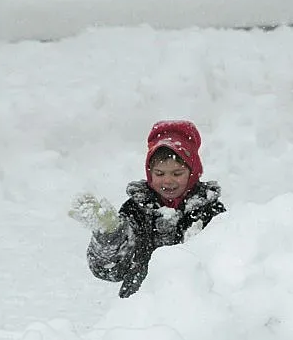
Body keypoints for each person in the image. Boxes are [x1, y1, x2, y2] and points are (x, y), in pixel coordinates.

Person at [81, 120, 226, 298]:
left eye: (177, 173)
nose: (168, 180)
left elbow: (227, 267)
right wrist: (110, 237)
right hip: (142, 303)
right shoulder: (137, 210)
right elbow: (110, 271)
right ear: (149, 172)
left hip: (195, 302)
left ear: (193, 171)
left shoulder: (209, 211)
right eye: (159, 173)